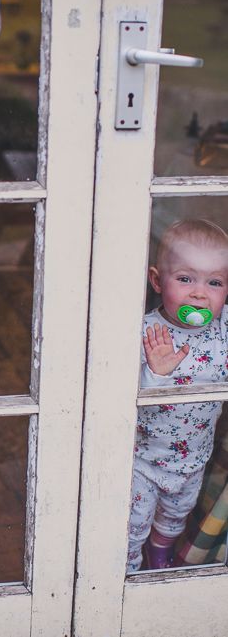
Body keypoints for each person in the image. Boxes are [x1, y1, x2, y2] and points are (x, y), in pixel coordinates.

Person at [128, 219, 228, 571]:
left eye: (214, 283)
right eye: (185, 279)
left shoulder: (222, 330)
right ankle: (126, 572)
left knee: (175, 517)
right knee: (132, 525)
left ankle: (160, 557)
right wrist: (155, 372)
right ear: (157, 281)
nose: (200, 294)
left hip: (194, 456)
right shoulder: (143, 332)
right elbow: (126, 399)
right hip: (143, 461)